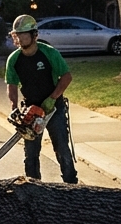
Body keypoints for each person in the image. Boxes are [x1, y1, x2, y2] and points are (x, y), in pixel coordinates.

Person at [5, 14, 77, 183]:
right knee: (31, 153)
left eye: (24, 34)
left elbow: (66, 77)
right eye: (17, 35)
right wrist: (14, 107)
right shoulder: (14, 59)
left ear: (34, 34)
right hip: (30, 109)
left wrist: (53, 98)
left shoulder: (49, 53)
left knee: (61, 148)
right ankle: (34, 187)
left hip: (54, 108)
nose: (20, 38)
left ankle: (71, 184)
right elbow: (12, 85)